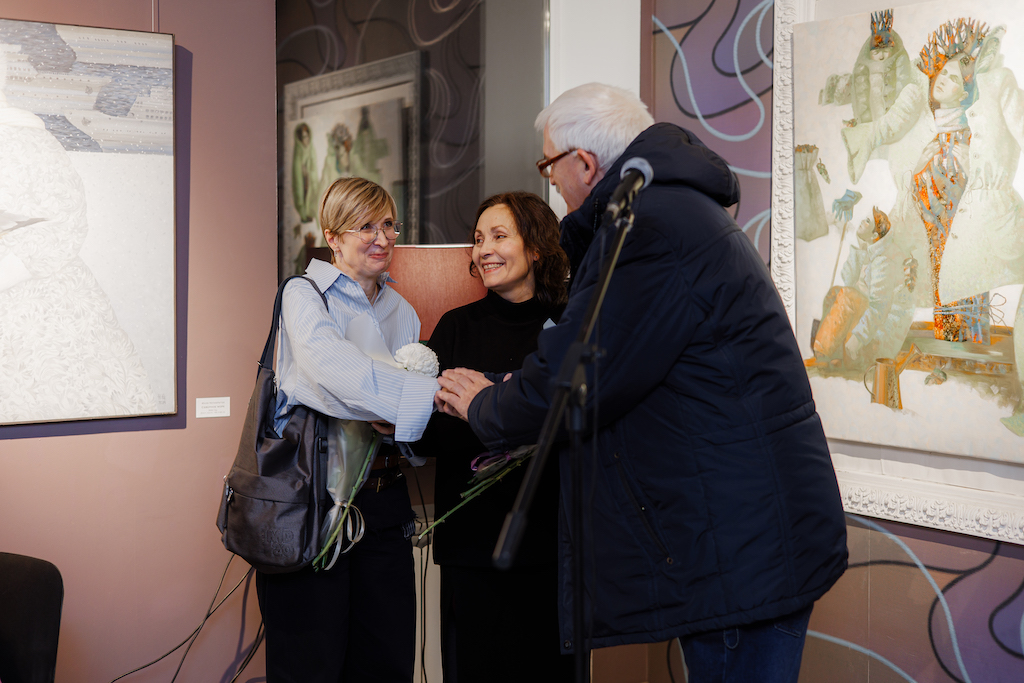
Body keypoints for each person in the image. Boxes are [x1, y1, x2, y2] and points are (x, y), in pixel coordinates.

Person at [434, 83, 848, 683]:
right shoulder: (676, 212)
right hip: (746, 533)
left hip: (735, 546)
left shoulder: (647, 231)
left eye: (548, 166)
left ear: (584, 163)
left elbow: (576, 378)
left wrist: (484, 404)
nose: (551, 182)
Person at [255, 176, 439, 682]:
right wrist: (420, 400)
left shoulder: (402, 311)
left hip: (383, 502)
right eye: (366, 226)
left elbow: (377, 409)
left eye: (389, 225)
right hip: (312, 501)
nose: (382, 237)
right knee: (309, 665)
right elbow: (334, 375)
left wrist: (396, 414)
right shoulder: (304, 294)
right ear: (333, 236)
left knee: (386, 661)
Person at [419, 191, 572, 682]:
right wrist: (503, 410)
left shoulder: (570, 326)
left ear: (536, 247)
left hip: (553, 548)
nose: (483, 249)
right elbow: (425, 435)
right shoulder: (455, 328)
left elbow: (574, 425)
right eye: (478, 238)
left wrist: (479, 406)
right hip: (472, 548)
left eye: (499, 236)